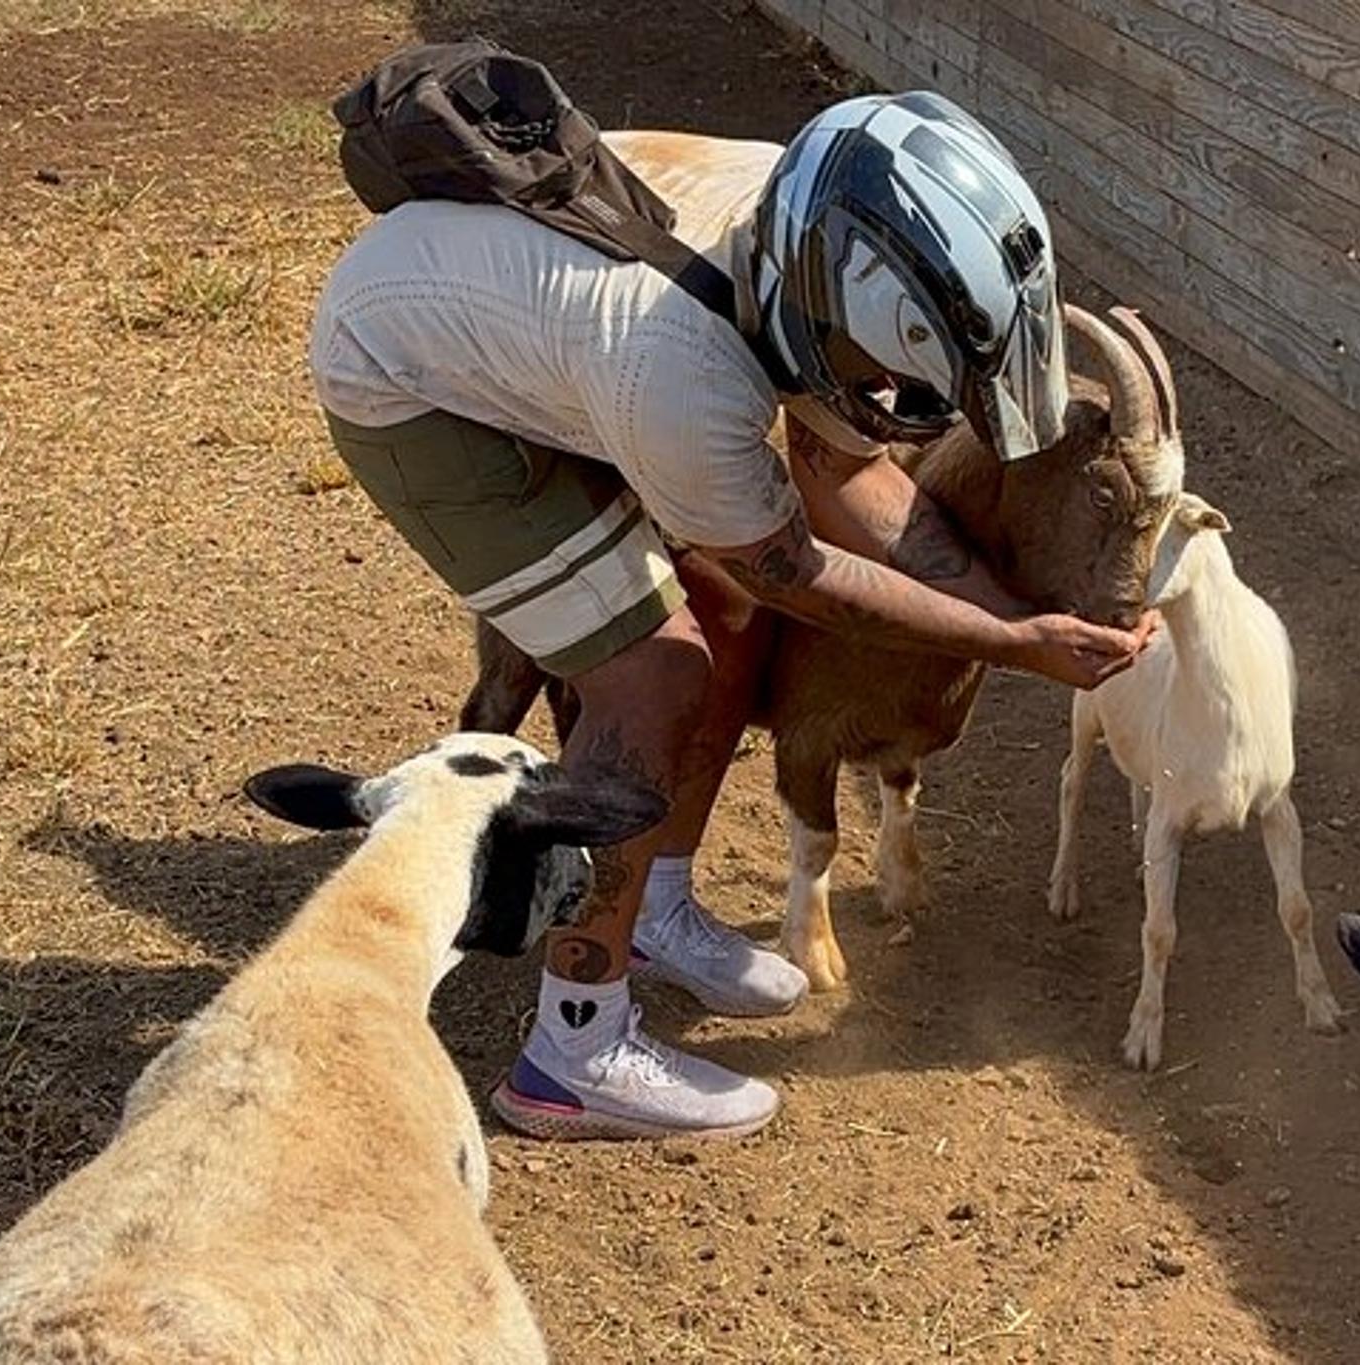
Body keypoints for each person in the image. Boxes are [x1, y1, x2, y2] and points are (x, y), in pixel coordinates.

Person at [308, 90, 1151, 1141]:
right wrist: (1009, 643)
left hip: (534, 334)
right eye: (885, 372)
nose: (891, 395)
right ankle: (574, 1048)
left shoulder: (816, 218)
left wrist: (1006, 607)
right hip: (416, 391)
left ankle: (650, 904)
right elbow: (798, 565)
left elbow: (839, 464)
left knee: (723, 601)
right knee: (653, 670)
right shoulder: (685, 372)